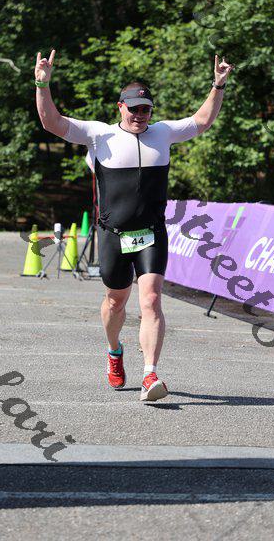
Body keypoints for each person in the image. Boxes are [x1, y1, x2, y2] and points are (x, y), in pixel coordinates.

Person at [35, 49, 234, 401]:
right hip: (113, 235)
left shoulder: (163, 133)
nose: (140, 115)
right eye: (134, 109)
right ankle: (114, 351)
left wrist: (217, 86)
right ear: (120, 107)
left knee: (152, 300)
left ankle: (149, 373)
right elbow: (52, 122)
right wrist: (42, 84)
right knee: (115, 302)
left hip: (151, 234)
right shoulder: (99, 135)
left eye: (146, 110)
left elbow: (202, 121)